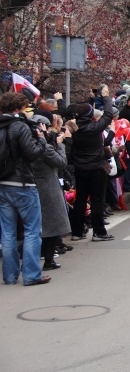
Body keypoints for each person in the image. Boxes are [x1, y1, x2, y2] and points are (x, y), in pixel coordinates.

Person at [0, 91, 51, 285]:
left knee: (8, 232)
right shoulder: (19, 126)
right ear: (18, 108)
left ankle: (10, 276)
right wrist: (41, 139)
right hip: (22, 183)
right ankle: (31, 275)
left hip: (2, 183)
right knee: (31, 230)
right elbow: (32, 153)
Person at [69, 84, 115, 242]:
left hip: (80, 168)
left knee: (80, 199)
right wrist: (106, 96)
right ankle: (99, 232)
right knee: (97, 200)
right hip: (95, 168)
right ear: (91, 116)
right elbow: (108, 114)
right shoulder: (94, 128)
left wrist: (91, 99)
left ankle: (77, 231)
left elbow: (81, 110)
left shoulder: (73, 128)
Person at [29, 114, 70, 271]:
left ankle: (30, 262)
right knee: (52, 224)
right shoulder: (43, 147)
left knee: (33, 227)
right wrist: (59, 145)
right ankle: (48, 260)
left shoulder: (25, 145)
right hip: (47, 187)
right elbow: (61, 162)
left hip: (32, 186)